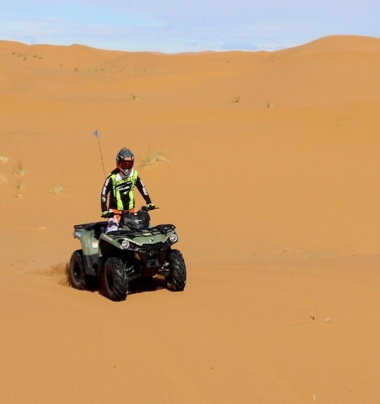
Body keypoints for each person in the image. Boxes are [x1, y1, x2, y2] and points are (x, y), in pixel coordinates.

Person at [100, 147, 155, 232]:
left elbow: (142, 188)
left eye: (129, 164)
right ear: (118, 162)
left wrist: (149, 202)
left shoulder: (134, 174)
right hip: (115, 212)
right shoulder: (112, 177)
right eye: (124, 164)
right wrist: (104, 210)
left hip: (131, 211)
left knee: (140, 231)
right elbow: (104, 193)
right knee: (112, 233)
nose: (126, 167)